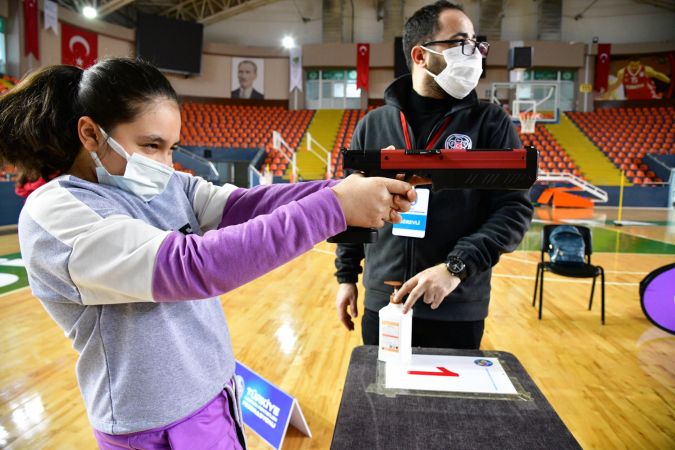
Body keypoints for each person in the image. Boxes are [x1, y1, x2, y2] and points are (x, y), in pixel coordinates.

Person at [0, 58, 416, 449]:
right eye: (150, 146)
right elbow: (191, 267)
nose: (165, 164)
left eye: (171, 148)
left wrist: (344, 189)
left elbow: (247, 206)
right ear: (90, 134)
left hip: (214, 394)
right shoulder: (56, 210)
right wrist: (336, 207)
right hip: (152, 425)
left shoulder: (165, 185)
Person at [334, 1, 533, 350]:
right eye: (460, 42)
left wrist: (455, 267)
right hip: (385, 303)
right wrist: (347, 277)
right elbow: (350, 209)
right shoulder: (373, 125)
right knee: (381, 404)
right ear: (421, 55)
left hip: (455, 305)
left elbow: (513, 210)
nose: (474, 53)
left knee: (448, 407)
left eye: (476, 43)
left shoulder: (491, 124)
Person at [601, 59, 671, 100]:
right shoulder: (622, 72)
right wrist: (606, 90)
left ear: (639, 64)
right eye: (632, 65)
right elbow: (616, 85)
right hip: (633, 101)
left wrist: (669, 81)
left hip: (650, 99)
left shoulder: (646, 70)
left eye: (636, 65)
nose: (634, 67)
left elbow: (657, 75)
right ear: (629, 64)